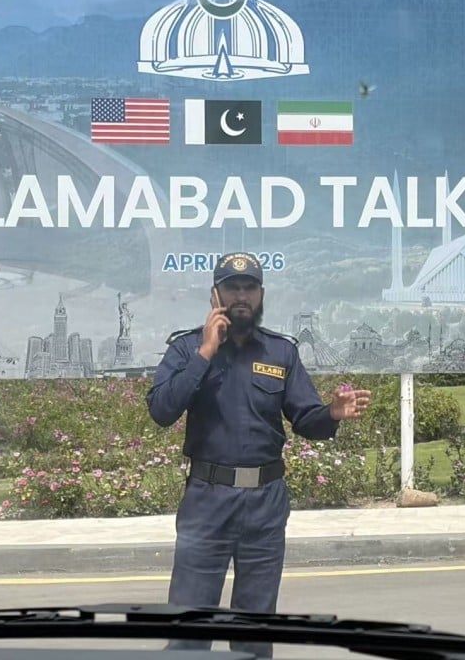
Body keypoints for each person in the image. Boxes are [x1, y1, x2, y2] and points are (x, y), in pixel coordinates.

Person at [146, 251, 371, 656]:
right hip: (207, 501)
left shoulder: (280, 353)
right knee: (188, 629)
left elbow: (306, 419)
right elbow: (162, 410)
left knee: (254, 630)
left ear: (261, 295)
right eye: (232, 288)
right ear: (215, 294)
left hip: (264, 506)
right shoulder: (185, 349)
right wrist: (205, 353)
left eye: (249, 288)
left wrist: (332, 413)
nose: (241, 296)